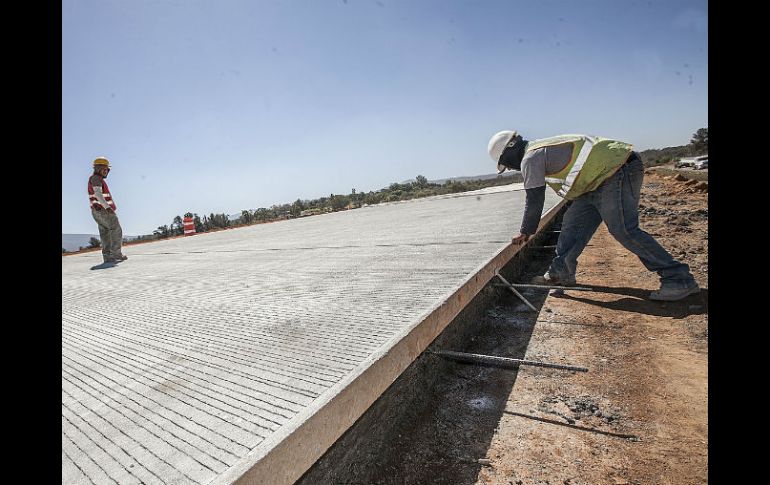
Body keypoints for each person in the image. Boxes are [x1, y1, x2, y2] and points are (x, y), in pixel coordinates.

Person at [487, 130, 699, 301]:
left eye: (507, 164)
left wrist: (526, 231)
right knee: (572, 225)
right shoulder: (539, 150)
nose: (512, 169)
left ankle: (678, 279)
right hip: (594, 184)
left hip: (616, 171)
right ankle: (560, 273)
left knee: (624, 230)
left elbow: (534, 198)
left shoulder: (530, 157)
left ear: (510, 152)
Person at [88, 157, 128, 263]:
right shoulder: (96, 178)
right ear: (98, 169)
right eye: (104, 169)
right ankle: (116, 254)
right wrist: (108, 208)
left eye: (107, 169)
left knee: (105, 232)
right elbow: (98, 194)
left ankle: (107, 257)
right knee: (116, 229)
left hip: (96, 211)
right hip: (103, 210)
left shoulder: (95, 179)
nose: (106, 171)